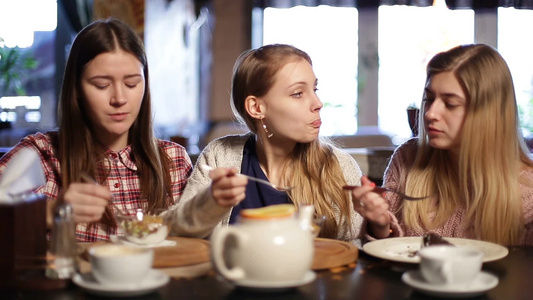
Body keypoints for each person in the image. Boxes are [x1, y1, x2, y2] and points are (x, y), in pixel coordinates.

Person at [0, 18, 192, 242]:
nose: (119, 99)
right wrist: (51, 212)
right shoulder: (41, 155)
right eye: (102, 85)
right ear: (77, 88)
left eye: (131, 84)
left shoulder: (173, 161)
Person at [166, 44, 364, 245]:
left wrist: (379, 225)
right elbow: (175, 232)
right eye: (298, 93)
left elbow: (357, 245)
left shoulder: (340, 166)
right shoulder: (220, 155)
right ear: (256, 107)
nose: (318, 103)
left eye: (314, 89)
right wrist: (210, 203)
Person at [352, 44, 533, 245]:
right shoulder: (408, 158)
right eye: (429, 99)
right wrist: (379, 224)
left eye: (450, 103)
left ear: (488, 113)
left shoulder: (528, 192)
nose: (430, 113)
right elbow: (387, 251)